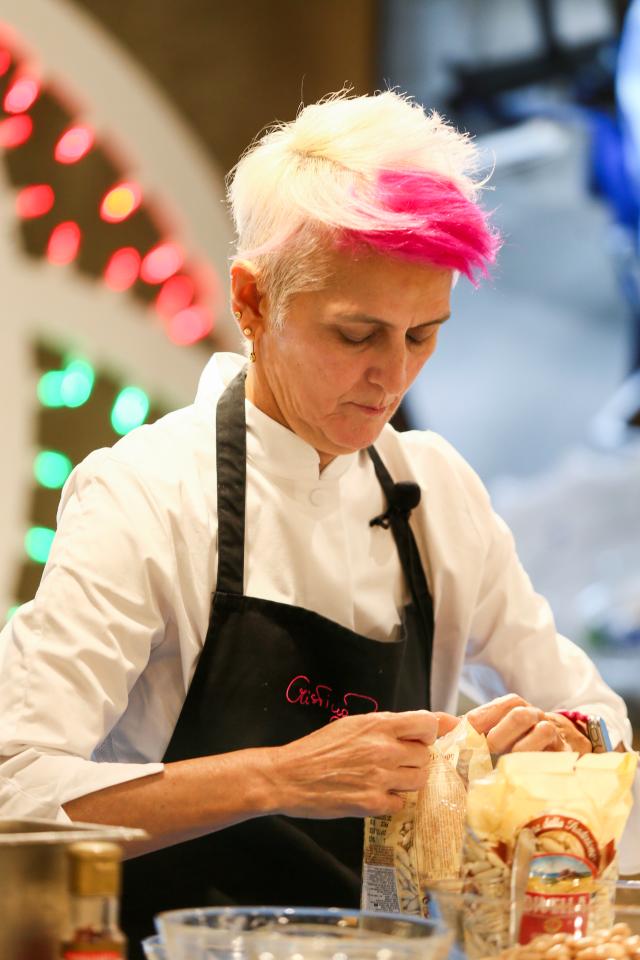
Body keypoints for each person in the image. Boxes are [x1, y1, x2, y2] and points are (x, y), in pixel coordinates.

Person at [0, 91, 636, 950]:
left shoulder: (435, 492)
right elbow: (17, 793)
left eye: (422, 335)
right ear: (253, 302)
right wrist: (278, 776)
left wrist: (546, 741)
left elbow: (597, 720)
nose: (391, 376)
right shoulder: (144, 496)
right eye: (356, 334)